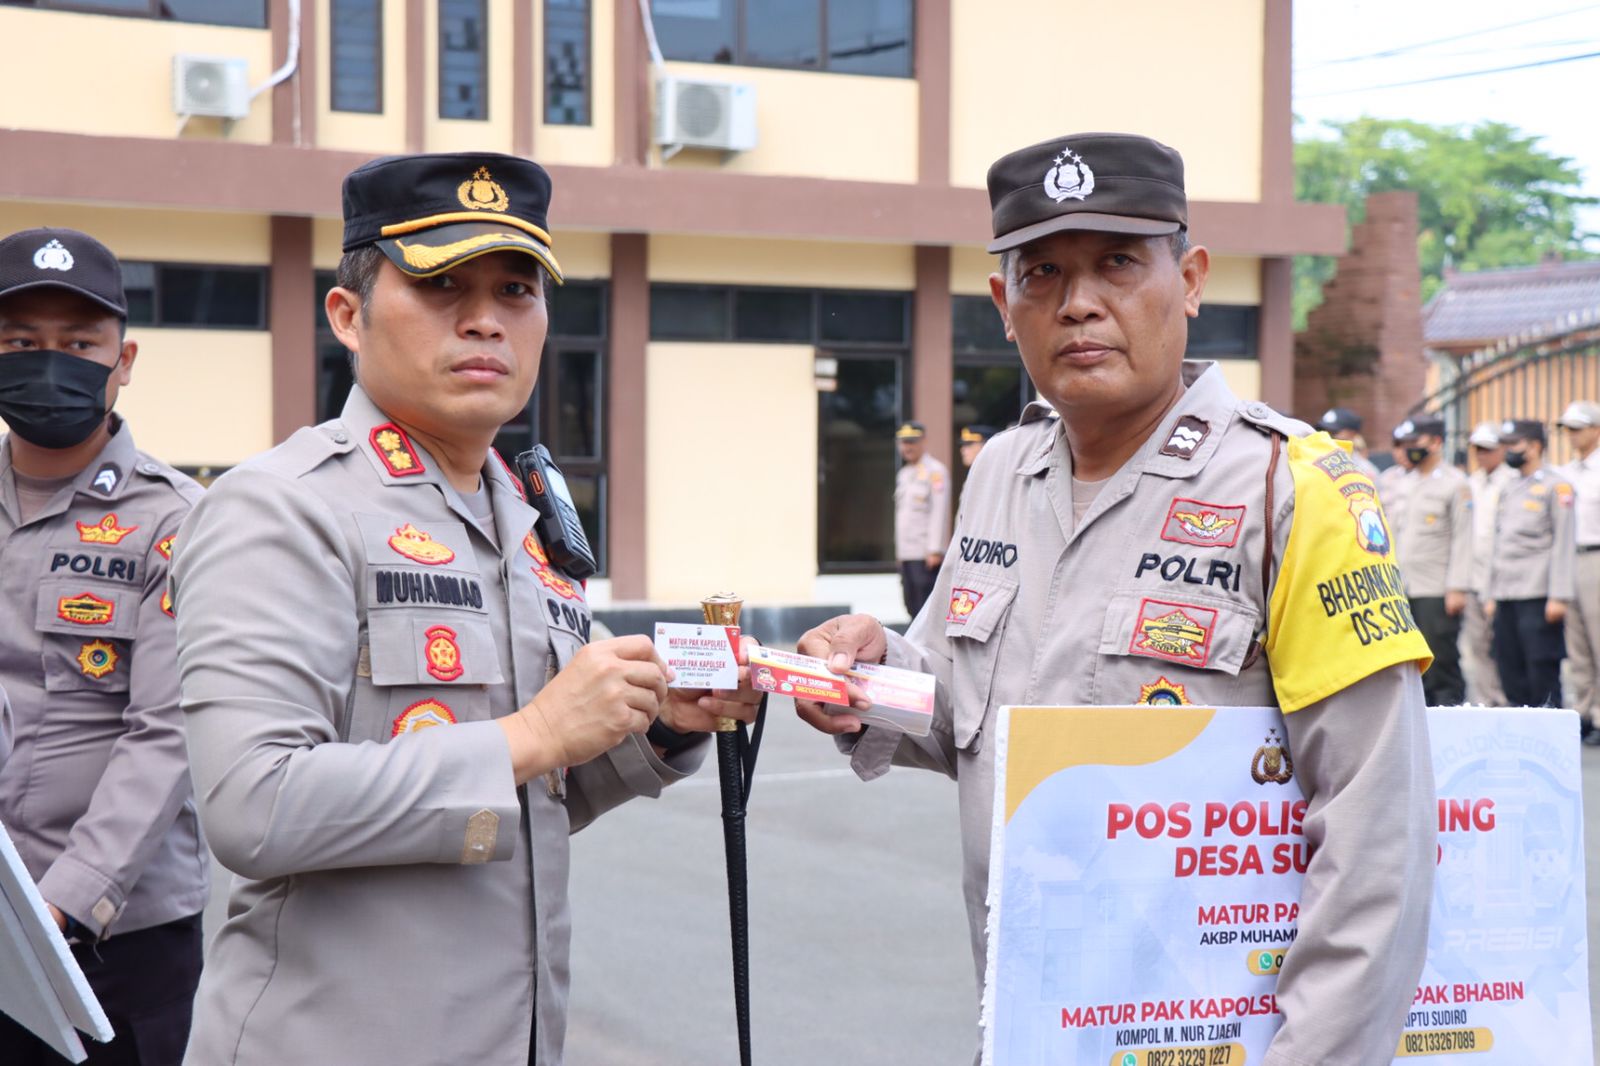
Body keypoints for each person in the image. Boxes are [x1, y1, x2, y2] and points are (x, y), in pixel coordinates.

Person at [795, 132, 1435, 1066]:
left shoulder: (1289, 486)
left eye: (1119, 264)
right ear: (1002, 306)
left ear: (1192, 280)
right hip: (1024, 1023)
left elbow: (1379, 837)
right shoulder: (1005, 468)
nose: (1080, 302)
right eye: (1043, 272)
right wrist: (869, 674)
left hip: (1216, 1041)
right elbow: (962, 714)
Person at [168, 153, 760, 1066]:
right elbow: (255, 805)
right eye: (441, 283)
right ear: (348, 317)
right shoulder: (280, 506)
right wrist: (535, 733)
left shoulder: (524, 521)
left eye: (516, 289)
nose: (485, 318)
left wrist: (660, 730)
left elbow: (536, 791)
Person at [0, 227, 208, 1064]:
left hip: (117, 938)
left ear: (123, 360)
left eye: (78, 343)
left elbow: (167, 731)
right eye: (21, 342)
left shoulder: (177, 520)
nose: (49, 362)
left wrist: (62, 905)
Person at [1486, 419, 1575, 708]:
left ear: (1535, 446)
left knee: (1541, 671)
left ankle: (1549, 740)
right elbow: (1498, 543)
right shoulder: (1508, 487)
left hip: (1538, 594)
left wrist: (1559, 595)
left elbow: (1563, 542)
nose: (1508, 451)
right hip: (1506, 593)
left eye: (1514, 444)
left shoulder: (1557, 486)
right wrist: (1490, 593)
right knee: (1508, 667)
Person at [1388, 417, 1472, 705]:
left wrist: (1457, 587)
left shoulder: (1455, 483)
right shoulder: (1401, 481)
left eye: (1416, 442)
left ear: (1436, 442)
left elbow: (1464, 538)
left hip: (1435, 588)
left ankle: (1448, 719)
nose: (1409, 449)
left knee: (1440, 662)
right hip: (1401, 586)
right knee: (1408, 664)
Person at [1556, 400, 1600, 740]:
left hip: (1596, 555)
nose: (1570, 435)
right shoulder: (1565, 473)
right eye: (1567, 428)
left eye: (1577, 428)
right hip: (1568, 556)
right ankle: (1584, 710)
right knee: (1577, 643)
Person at [1462, 421, 1512, 705]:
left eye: (1487, 449)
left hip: (1501, 576)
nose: (1481, 454)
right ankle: (1484, 701)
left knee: (1502, 646)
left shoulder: (1512, 481)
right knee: (1477, 645)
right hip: (1473, 574)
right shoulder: (1472, 482)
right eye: (1477, 449)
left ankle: (1504, 700)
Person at [893, 420, 950, 618]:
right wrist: (900, 552)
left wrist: (935, 548)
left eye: (912, 442)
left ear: (922, 442)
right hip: (907, 553)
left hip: (925, 554)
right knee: (910, 604)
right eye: (903, 442)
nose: (907, 447)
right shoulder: (904, 474)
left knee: (924, 607)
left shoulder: (935, 471)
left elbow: (939, 511)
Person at [1316, 407, 1381, 480]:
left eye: (1333, 432)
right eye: (1322, 431)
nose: (1327, 436)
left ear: (1352, 434)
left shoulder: (1364, 470)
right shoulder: (1309, 461)